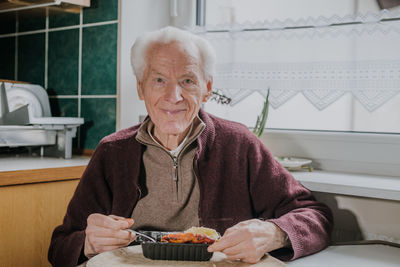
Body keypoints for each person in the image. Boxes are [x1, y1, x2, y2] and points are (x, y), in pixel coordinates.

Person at [48, 26, 333, 267]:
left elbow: (315, 216)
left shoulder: (238, 144)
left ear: (207, 87)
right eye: (159, 80)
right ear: (140, 87)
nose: (174, 96)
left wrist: (273, 233)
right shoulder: (112, 151)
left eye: (187, 80)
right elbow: (59, 246)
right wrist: (87, 242)